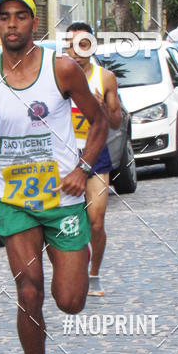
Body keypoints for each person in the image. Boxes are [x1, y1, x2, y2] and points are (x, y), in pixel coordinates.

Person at [0, 0, 107, 354]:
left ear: (33, 23)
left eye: (21, 16)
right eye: (4, 17)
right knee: (28, 291)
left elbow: (98, 120)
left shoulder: (61, 69)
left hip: (62, 199)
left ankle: (76, 259)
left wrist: (83, 167)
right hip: (15, 201)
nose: (12, 24)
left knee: (70, 301)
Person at [64, 21, 123, 297]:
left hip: (96, 155)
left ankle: (94, 273)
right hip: (64, 158)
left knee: (96, 221)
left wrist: (101, 107)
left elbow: (115, 121)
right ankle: (70, 272)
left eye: (82, 45)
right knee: (67, 222)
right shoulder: (57, 76)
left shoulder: (105, 78)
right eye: (70, 45)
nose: (75, 52)